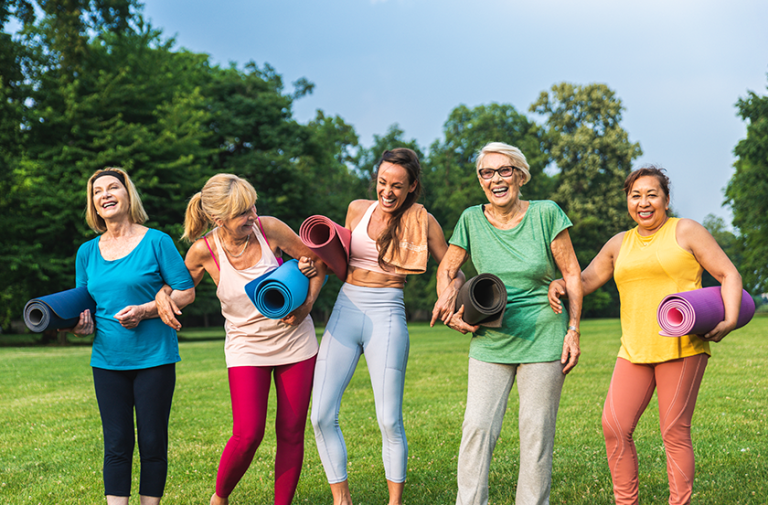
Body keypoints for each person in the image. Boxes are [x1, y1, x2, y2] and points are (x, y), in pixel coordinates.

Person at [548, 166, 743, 505]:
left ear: (666, 200)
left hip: (682, 347)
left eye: (652, 194)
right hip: (634, 350)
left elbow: (729, 274)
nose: (643, 202)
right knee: (614, 426)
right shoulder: (618, 244)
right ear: (627, 201)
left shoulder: (686, 231)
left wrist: (730, 319)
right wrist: (560, 284)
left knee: (674, 431)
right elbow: (586, 280)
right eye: (635, 196)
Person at [155, 173, 326, 505]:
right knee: (248, 434)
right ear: (218, 219)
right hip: (245, 348)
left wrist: (306, 305)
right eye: (242, 213)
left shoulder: (270, 228)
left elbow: (317, 261)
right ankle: (219, 499)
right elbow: (180, 288)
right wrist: (162, 295)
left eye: (252, 207)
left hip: (295, 343)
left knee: (291, 432)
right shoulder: (203, 251)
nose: (252, 216)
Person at [308, 148, 464, 505]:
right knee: (320, 416)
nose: (387, 192)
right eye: (382, 182)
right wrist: (312, 263)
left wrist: (451, 291)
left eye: (397, 185)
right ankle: (342, 500)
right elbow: (334, 258)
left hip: (387, 313)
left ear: (412, 187)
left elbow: (453, 269)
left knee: (389, 420)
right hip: (346, 308)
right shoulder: (356, 210)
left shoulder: (424, 221)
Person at [431, 142, 583, 505]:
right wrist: (451, 311)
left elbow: (572, 272)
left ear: (520, 176)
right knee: (477, 428)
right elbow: (447, 269)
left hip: (543, 334)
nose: (496, 179)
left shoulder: (546, 213)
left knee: (536, 435)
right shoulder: (471, 219)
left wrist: (574, 330)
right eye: (487, 172)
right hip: (490, 338)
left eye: (504, 170)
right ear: (480, 180)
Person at [65, 167, 195, 505]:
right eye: (97, 192)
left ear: (128, 194)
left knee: (152, 441)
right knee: (116, 443)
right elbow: (84, 303)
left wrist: (146, 310)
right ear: (93, 204)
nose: (105, 195)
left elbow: (186, 291)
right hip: (107, 360)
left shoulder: (157, 241)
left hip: (154, 358)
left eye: (113, 188)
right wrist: (79, 326)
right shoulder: (86, 252)